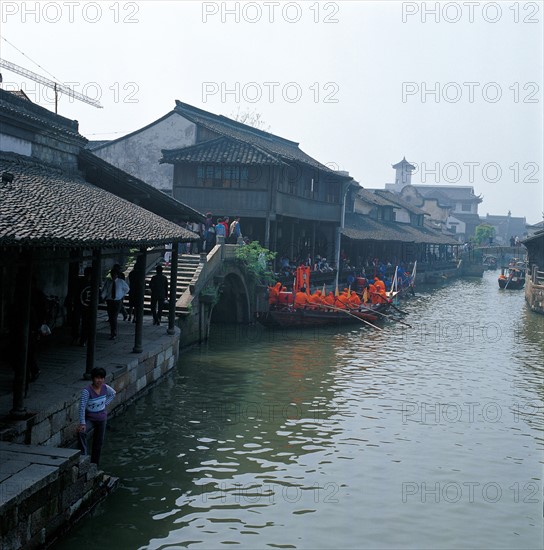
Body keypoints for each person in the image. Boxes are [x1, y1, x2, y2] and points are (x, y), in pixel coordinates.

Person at [78, 367, 116, 466]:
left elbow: (113, 394)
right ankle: (83, 456)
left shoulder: (105, 388)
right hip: (90, 418)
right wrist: (82, 423)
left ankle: (95, 464)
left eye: (101, 378)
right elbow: (82, 407)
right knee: (82, 432)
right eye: (97, 378)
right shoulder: (87, 391)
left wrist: (104, 405)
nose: (99, 380)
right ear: (93, 379)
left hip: (102, 419)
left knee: (98, 443)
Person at [101, 266, 129, 340]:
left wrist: (121, 295)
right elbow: (105, 290)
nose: (113, 276)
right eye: (112, 274)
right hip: (110, 300)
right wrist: (102, 297)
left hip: (117, 300)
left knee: (114, 317)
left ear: (117, 275)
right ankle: (112, 331)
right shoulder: (108, 282)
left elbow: (127, 289)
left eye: (114, 274)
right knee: (111, 317)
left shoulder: (121, 281)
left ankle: (114, 332)